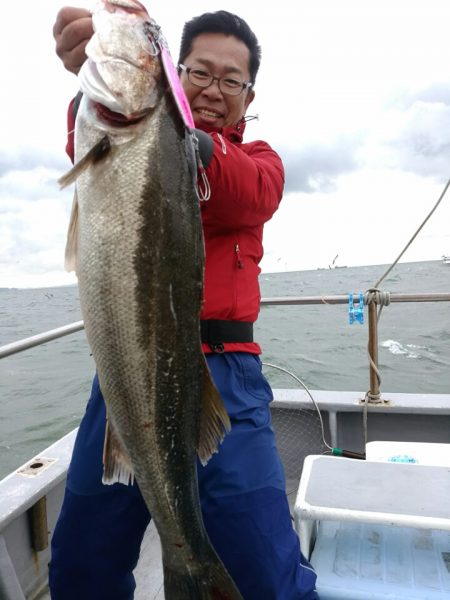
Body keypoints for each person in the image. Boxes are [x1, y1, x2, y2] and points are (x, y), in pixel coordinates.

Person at [50, 7, 319, 600]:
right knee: (79, 565)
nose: (215, 90)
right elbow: (88, 141)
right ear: (175, 74)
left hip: (229, 380)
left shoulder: (261, 163)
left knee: (267, 571)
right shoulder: (124, 128)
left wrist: (175, 136)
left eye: (232, 80)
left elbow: (244, 191)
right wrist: (96, 83)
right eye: (199, 73)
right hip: (126, 376)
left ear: (250, 95)